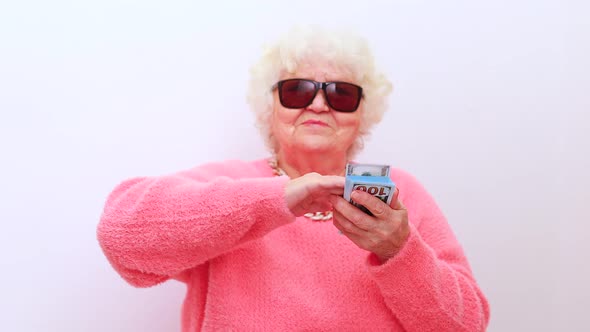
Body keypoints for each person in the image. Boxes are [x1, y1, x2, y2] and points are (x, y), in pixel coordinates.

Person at [97, 26, 490, 331]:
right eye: (297, 90)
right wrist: (277, 200)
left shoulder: (400, 199)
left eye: (340, 94)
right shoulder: (232, 184)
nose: (318, 103)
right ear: (270, 107)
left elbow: (467, 325)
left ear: (362, 115)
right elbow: (121, 234)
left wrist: (400, 252)